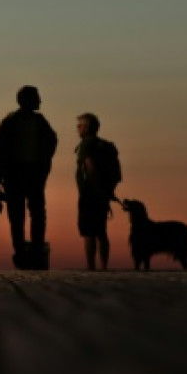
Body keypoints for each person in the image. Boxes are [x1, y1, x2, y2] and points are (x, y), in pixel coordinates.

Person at [0, 86, 58, 269]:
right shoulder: (10, 121)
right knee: (17, 214)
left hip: (35, 173)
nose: (40, 101)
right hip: (14, 174)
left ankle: (36, 250)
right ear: (26, 100)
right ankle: (20, 252)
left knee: (37, 212)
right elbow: (1, 149)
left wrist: (43, 165)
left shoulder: (40, 121)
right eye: (37, 98)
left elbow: (51, 142)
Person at [74, 112, 121, 271]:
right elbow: (117, 174)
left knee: (88, 232)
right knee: (101, 230)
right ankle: (104, 266)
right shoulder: (107, 146)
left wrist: (96, 188)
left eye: (79, 125)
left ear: (86, 128)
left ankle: (91, 267)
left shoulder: (86, 144)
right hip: (104, 193)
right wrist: (108, 191)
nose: (77, 129)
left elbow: (90, 165)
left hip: (89, 193)